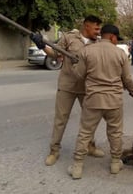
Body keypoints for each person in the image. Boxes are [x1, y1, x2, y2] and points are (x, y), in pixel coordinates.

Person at [68, 24, 133, 179]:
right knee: (115, 133)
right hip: (114, 101)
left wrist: (75, 64)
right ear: (113, 37)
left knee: (85, 133)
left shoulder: (87, 51)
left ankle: (77, 167)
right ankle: (115, 163)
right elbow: (127, 79)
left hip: (93, 100)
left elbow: (79, 76)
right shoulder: (120, 53)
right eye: (116, 39)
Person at [30, 15, 105, 166]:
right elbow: (56, 55)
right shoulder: (69, 38)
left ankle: (90, 146)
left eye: (99, 28)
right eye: (96, 28)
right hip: (67, 86)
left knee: (89, 120)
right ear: (86, 26)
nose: (98, 31)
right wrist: (42, 46)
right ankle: (54, 151)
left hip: (87, 88)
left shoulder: (99, 43)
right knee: (60, 120)